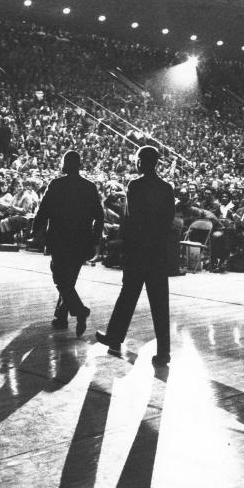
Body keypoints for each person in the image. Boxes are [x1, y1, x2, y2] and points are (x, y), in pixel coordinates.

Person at [96, 145, 176, 367]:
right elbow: (168, 220)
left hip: (138, 252)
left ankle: (115, 336)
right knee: (160, 304)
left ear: (140, 162)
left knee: (127, 297)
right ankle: (164, 352)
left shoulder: (135, 185)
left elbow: (130, 220)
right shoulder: (166, 188)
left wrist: (126, 246)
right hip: (157, 252)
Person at [31, 150, 104, 337]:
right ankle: (61, 318)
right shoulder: (89, 187)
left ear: (64, 164)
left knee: (60, 279)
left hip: (59, 238)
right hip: (82, 240)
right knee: (69, 280)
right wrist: (95, 240)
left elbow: (43, 210)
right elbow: (99, 215)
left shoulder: (56, 184)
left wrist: (35, 230)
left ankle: (80, 310)